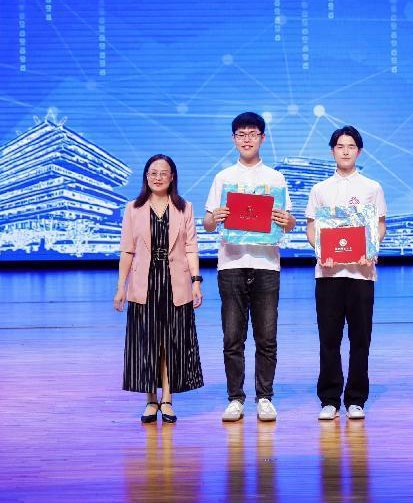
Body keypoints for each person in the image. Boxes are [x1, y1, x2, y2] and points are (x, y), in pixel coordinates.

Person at [204, 112, 296, 423]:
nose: (247, 139)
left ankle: (265, 397)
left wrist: (287, 220)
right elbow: (207, 223)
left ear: (262, 138)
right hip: (231, 263)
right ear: (234, 139)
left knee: (266, 337)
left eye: (253, 133)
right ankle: (235, 398)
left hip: (266, 263)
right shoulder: (223, 177)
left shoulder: (275, 178)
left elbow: (289, 222)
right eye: (241, 134)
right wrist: (214, 217)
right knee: (233, 337)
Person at [114, 154, 204, 423]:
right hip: (145, 283)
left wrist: (196, 281)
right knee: (147, 343)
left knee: (170, 343)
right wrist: (121, 287)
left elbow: (191, 247)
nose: (158, 177)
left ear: (172, 177)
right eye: (153, 173)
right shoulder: (133, 208)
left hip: (175, 282)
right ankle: (151, 400)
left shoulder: (184, 207)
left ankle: (167, 400)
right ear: (146, 176)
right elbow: (127, 250)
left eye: (164, 173)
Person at [306, 125, 386, 421]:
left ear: (359, 151)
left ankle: (356, 399)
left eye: (351, 146)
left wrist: (371, 248)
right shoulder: (320, 189)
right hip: (328, 274)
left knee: (360, 339)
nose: (345, 151)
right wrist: (321, 250)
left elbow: (379, 225)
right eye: (340, 146)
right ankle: (329, 399)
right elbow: (312, 227)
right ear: (332, 151)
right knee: (329, 338)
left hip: (361, 273)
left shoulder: (372, 187)